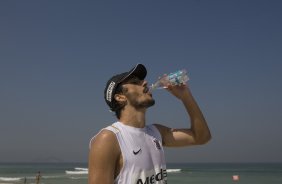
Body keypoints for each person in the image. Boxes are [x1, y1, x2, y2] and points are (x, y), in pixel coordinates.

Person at [88, 64, 211, 184]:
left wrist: (185, 96)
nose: (145, 82)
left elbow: (201, 137)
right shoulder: (109, 139)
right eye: (135, 82)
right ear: (120, 97)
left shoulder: (157, 132)